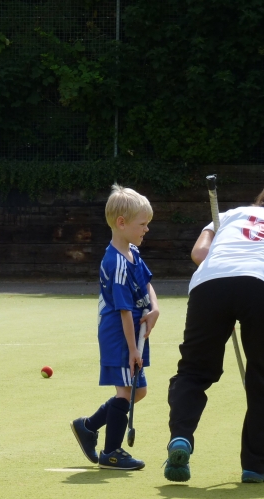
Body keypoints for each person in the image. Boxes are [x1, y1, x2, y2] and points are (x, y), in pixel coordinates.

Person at [164, 175, 264, 484]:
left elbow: (199, 254)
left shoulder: (229, 215)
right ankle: (257, 466)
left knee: (193, 372)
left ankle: (181, 436)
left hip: (210, 285)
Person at [70, 185, 160, 470]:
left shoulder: (132, 252)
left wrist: (154, 308)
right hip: (121, 335)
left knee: (138, 391)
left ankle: (88, 426)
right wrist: (133, 349)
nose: (146, 230)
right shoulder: (116, 262)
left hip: (134, 330)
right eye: (142, 224)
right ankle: (111, 452)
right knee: (126, 392)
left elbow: (146, 282)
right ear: (122, 224)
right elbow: (123, 311)